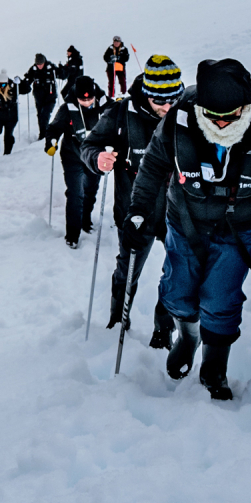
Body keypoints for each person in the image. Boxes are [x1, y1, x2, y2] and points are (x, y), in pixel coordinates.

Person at [127, 58, 251, 401]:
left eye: (231, 116)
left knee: (219, 295)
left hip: (243, 222)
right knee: (177, 292)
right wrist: (138, 211)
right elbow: (152, 165)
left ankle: (215, 365)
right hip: (186, 218)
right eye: (214, 117)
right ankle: (189, 337)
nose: (223, 123)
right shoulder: (180, 117)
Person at [79, 54, 182, 345]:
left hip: (178, 212)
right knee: (127, 269)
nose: (167, 107)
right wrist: (97, 158)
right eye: (159, 101)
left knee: (177, 272)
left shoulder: (185, 112)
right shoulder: (122, 113)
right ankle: (118, 319)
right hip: (135, 210)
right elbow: (89, 144)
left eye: (173, 99)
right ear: (147, 93)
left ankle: (163, 330)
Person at [45, 77, 105, 247]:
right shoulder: (67, 109)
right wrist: (51, 142)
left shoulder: (103, 106)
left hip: (94, 157)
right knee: (75, 193)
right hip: (73, 156)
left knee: (90, 190)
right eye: (82, 99)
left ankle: (86, 220)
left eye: (90, 99)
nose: (86, 102)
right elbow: (54, 128)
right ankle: (72, 234)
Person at [18, 53, 57, 138]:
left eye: (41, 64)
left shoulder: (51, 68)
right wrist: (21, 84)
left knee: (45, 115)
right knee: (40, 115)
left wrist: (62, 70)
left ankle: (44, 135)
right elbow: (28, 80)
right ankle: (43, 133)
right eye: (38, 64)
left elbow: (61, 74)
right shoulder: (33, 69)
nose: (39, 66)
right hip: (39, 98)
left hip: (50, 98)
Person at [102, 36, 137, 101]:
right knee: (111, 82)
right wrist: (110, 59)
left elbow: (126, 58)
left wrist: (119, 58)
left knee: (122, 81)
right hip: (111, 68)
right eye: (115, 42)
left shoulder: (124, 49)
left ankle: (124, 94)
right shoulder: (110, 48)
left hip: (120, 68)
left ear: (120, 42)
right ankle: (111, 96)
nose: (116, 43)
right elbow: (105, 57)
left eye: (117, 42)